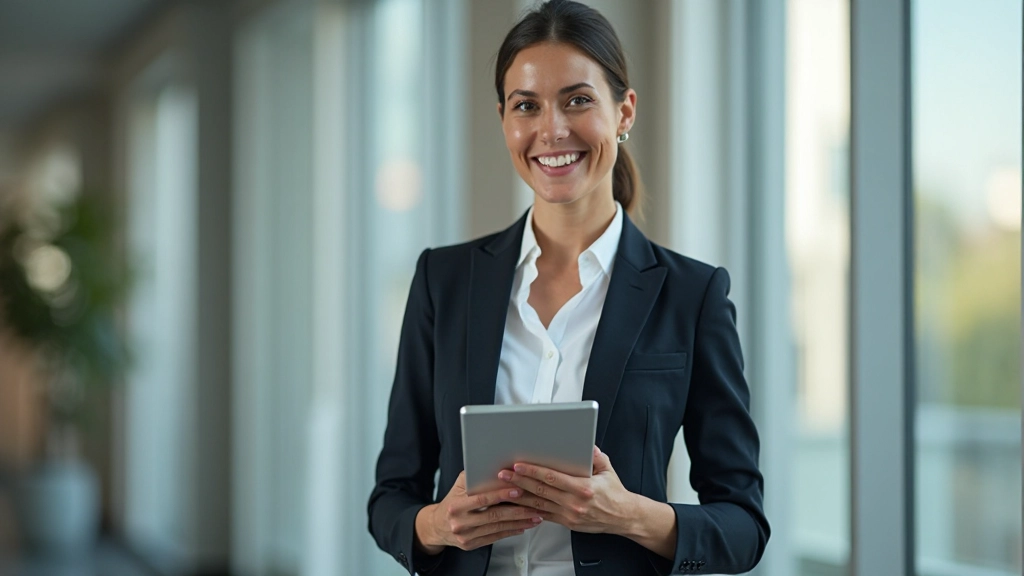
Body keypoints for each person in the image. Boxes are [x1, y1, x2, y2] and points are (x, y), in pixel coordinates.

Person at [367, 1, 769, 574]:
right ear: (504, 120)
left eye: (578, 100)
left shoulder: (691, 295)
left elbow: (743, 526)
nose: (551, 129)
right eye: (525, 105)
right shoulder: (443, 281)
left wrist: (628, 514)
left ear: (624, 111)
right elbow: (390, 497)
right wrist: (437, 524)